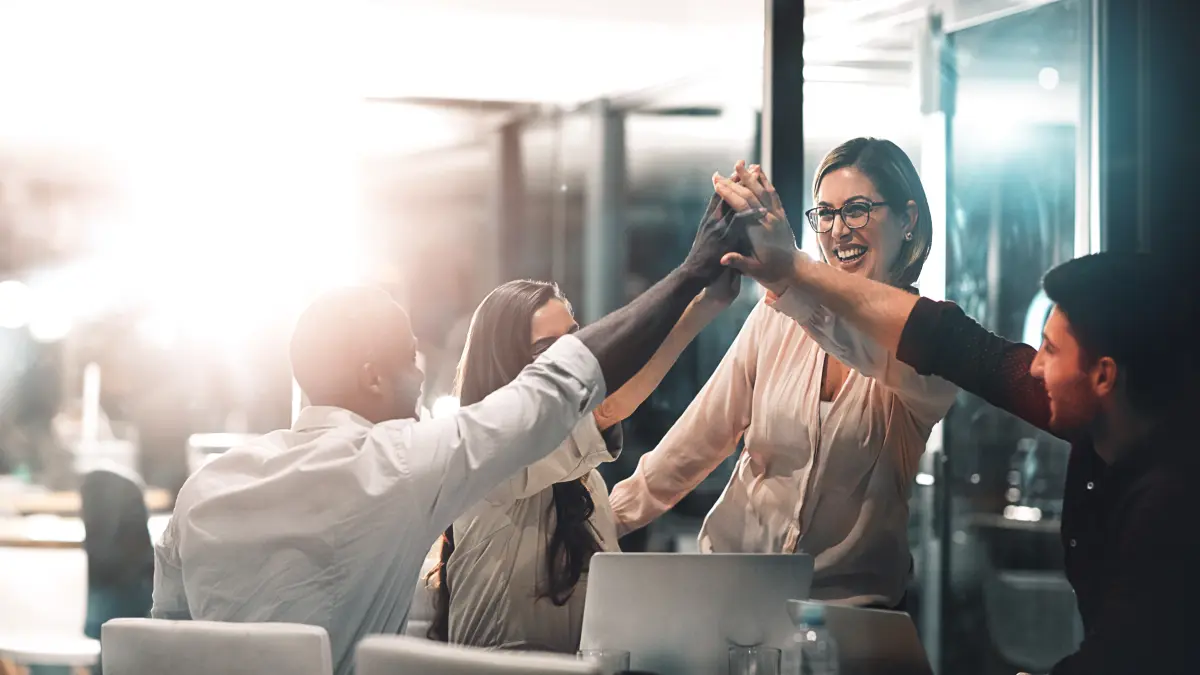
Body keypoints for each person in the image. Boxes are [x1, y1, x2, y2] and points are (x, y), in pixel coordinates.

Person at [149, 191, 750, 675]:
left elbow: (161, 641)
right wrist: (691, 273)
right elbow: (559, 389)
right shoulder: (397, 466)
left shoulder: (205, 488)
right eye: (410, 360)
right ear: (373, 378)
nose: (421, 376)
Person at [715, 163, 1200, 675]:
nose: (1036, 367)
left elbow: (1128, 653)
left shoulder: (1172, 499)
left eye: (1051, 351)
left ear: (1104, 376)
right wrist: (794, 272)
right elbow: (964, 349)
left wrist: (793, 270)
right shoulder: (1106, 433)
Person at [609, 139, 958, 609]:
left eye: (856, 210)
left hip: (850, 618)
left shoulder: (937, 338)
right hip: (733, 594)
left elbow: (869, 347)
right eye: (826, 215)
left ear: (908, 219)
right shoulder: (777, 316)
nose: (839, 231)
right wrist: (602, 523)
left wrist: (789, 277)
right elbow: (700, 437)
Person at [427, 274, 737, 651]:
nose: (568, 364)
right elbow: (607, 408)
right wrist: (697, 304)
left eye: (573, 342)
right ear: (503, 365)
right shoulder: (483, 455)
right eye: (548, 351)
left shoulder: (582, 480)